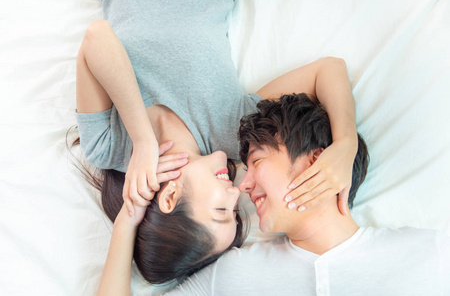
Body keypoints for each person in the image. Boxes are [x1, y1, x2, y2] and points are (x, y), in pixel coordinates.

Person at [75, 0, 359, 290]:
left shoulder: (107, 148)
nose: (237, 194)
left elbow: (97, 37)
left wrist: (128, 214)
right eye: (235, 212)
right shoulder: (233, 130)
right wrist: (345, 144)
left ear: (170, 197)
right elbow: (328, 70)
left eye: (221, 211)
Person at [163, 94, 450, 296]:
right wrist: (129, 218)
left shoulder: (432, 255)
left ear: (317, 162)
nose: (243, 186)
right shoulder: (232, 274)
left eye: (258, 162)